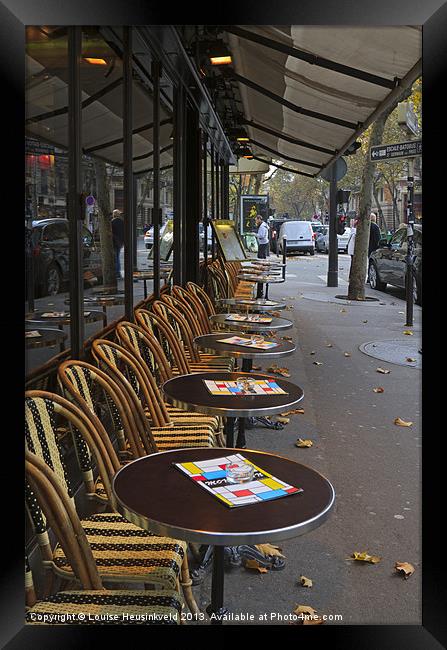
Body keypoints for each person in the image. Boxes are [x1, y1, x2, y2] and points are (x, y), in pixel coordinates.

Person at [255, 214, 269, 298]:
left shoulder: (262, 227)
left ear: (259, 219)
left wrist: (255, 235)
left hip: (263, 243)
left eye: (256, 220)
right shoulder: (263, 225)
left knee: (261, 257)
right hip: (264, 243)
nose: (256, 221)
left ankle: (262, 267)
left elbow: (262, 236)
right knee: (262, 256)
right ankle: (263, 266)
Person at [111, 209, 124, 279]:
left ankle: (117, 273)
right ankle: (118, 272)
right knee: (117, 257)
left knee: (115, 258)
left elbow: (111, 233)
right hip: (120, 242)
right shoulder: (122, 222)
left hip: (114, 242)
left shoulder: (112, 222)